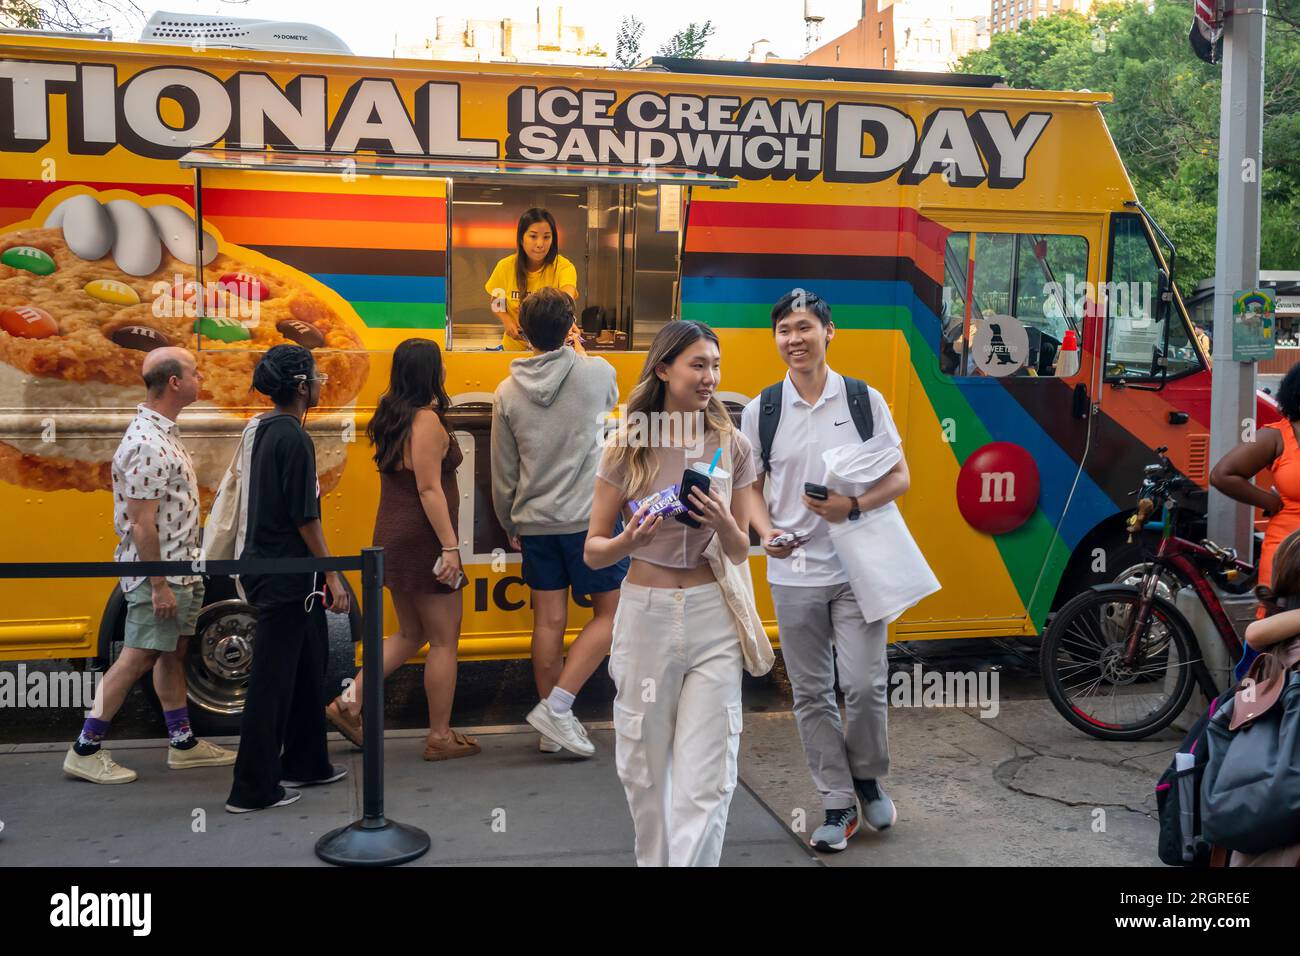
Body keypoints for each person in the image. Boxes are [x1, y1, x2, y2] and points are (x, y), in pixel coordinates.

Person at [584, 320, 757, 867]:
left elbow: (740, 550)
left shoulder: (733, 445)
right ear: (663, 369)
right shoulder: (625, 445)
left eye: (715, 365)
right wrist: (627, 540)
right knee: (644, 768)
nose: (710, 377)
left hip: (713, 617)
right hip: (646, 614)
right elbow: (592, 550)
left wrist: (727, 523)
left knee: (709, 776)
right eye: (698, 365)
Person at [741, 290, 906, 853]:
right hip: (794, 574)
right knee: (812, 694)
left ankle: (866, 774)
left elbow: (899, 477)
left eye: (805, 327)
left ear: (828, 332)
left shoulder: (863, 400)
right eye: (785, 329)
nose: (795, 339)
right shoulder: (761, 409)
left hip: (857, 566)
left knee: (862, 685)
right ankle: (837, 802)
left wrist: (850, 508)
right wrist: (766, 534)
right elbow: (749, 489)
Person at [63, 347, 236, 783]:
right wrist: (158, 585)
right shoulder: (147, 442)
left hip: (179, 570)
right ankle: (84, 748)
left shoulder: (162, 432)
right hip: (161, 575)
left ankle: (182, 744)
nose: (201, 378)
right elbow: (142, 524)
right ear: (175, 383)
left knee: (172, 651)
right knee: (137, 657)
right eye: (195, 373)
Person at [324, 338, 477, 761]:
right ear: (429, 372)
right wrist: (449, 547)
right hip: (424, 538)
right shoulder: (425, 420)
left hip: (393, 534)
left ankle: (348, 703)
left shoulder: (391, 414)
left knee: (410, 633)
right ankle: (440, 736)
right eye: (440, 365)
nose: (445, 370)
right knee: (445, 641)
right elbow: (428, 489)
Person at [491, 288, 627, 756]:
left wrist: (509, 517)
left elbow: (503, 468)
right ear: (570, 325)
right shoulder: (595, 374)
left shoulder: (507, 391)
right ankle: (559, 712)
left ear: (523, 331)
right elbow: (609, 394)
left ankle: (552, 724)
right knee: (612, 614)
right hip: (589, 521)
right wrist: (578, 347)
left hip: (534, 521)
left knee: (548, 623)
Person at [226, 345, 351, 813]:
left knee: (306, 663)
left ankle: (306, 761)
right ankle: (252, 788)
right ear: (301, 386)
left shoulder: (263, 429)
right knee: (271, 682)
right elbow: (306, 518)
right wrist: (333, 576)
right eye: (316, 377)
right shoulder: (294, 439)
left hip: (268, 565)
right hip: (286, 572)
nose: (321, 383)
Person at [1210, 363, 1300, 679]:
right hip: (1287, 559)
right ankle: (1258, 708)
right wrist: (1270, 501)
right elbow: (1223, 474)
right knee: (1274, 640)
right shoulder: (1277, 436)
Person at [485, 208, 580, 352]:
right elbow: (496, 301)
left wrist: (568, 317)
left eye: (546, 237)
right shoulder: (505, 266)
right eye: (533, 236)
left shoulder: (564, 267)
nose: (540, 244)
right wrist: (507, 320)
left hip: (552, 353)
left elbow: (567, 297)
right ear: (522, 238)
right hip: (514, 350)